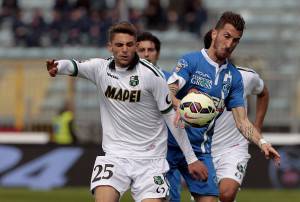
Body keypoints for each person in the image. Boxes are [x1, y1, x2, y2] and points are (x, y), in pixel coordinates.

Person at [46, 21, 207, 202]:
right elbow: (75, 66)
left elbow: (172, 118)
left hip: (150, 161)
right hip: (115, 156)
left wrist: (191, 158)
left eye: (129, 45)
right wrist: (57, 67)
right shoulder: (100, 69)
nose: (124, 50)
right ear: (110, 47)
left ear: (136, 47)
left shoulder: (152, 76)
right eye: (119, 45)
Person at [166, 11, 280, 202]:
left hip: (201, 149)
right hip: (170, 144)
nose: (229, 44)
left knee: (215, 198)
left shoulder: (233, 78)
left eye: (235, 40)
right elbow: (169, 89)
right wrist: (180, 105)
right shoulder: (190, 61)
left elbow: (242, 122)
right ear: (214, 34)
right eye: (227, 36)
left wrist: (262, 143)